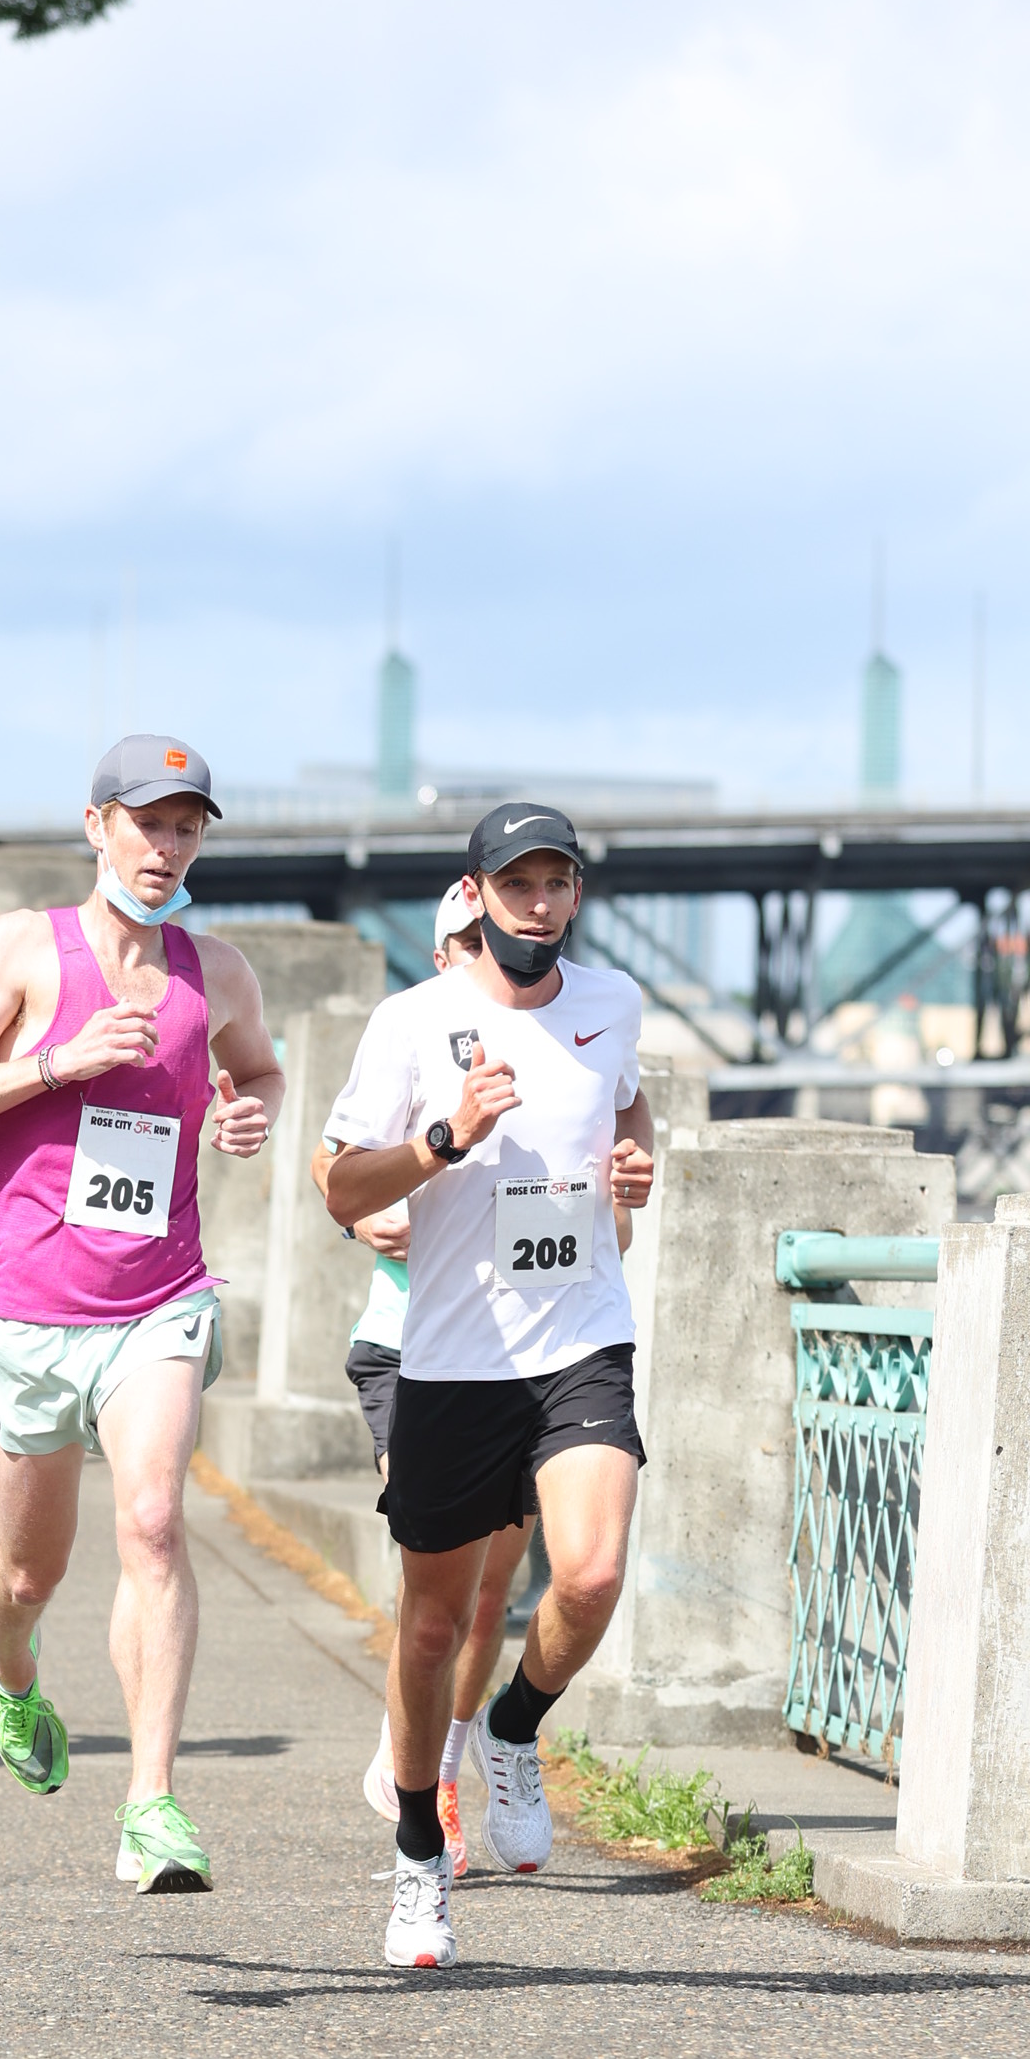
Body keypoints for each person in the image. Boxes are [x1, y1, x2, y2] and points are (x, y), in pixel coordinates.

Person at [0, 735, 282, 1892]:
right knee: (27, 1576)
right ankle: (11, 1671)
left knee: (155, 1521)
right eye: (146, 823)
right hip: (28, 1310)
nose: (166, 847)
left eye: (185, 827)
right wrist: (57, 1063)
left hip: (158, 1299)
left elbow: (261, 1072)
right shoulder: (24, 948)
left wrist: (249, 1115)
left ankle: (150, 1804)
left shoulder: (216, 972)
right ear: (96, 827)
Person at [320, 803, 655, 1968]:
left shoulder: (611, 1003)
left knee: (591, 1571)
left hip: (581, 1336)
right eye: (516, 883)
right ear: (475, 894)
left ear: (575, 896)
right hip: (455, 1359)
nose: (538, 902)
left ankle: (512, 1727)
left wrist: (633, 1165)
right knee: (430, 1626)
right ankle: (419, 1851)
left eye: (556, 882)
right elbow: (340, 1188)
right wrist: (443, 1139)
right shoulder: (412, 1022)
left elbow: (625, 1103)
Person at [315, 880, 531, 1875]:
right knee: (438, 1576)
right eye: (463, 940)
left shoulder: (547, 1036)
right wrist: (367, 1216)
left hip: (518, 1350)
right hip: (405, 1347)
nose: (481, 951)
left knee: (493, 1589)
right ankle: (415, 1766)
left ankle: (446, 1760)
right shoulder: (408, 1031)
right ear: (443, 953)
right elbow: (331, 1167)